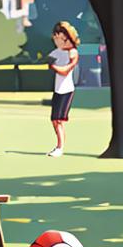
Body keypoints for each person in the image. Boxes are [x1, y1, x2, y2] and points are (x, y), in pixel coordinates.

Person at [47, 21, 80, 157]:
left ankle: (60, 148)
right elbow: (46, 58)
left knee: (59, 120)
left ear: (66, 37)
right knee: (54, 120)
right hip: (57, 90)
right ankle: (58, 146)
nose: (56, 40)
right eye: (55, 37)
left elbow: (65, 71)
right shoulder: (56, 52)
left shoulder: (73, 53)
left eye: (59, 37)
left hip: (67, 91)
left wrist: (52, 66)